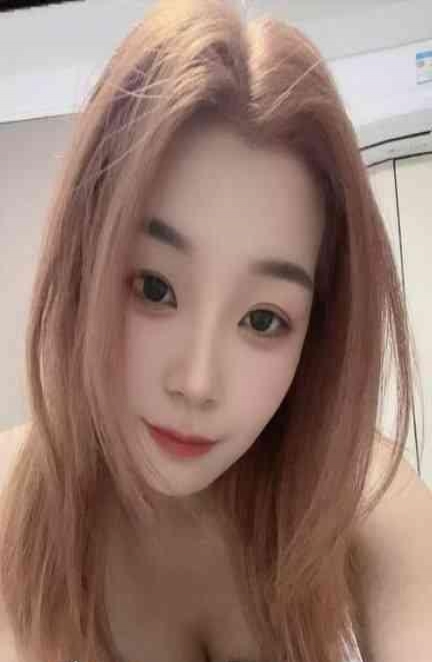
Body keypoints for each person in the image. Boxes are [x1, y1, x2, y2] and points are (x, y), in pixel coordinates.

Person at [1, 0, 431, 661]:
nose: (197, 382)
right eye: (154, 287)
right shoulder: (10, 519)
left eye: (263, 320)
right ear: (86, 261)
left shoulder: (364, 500)